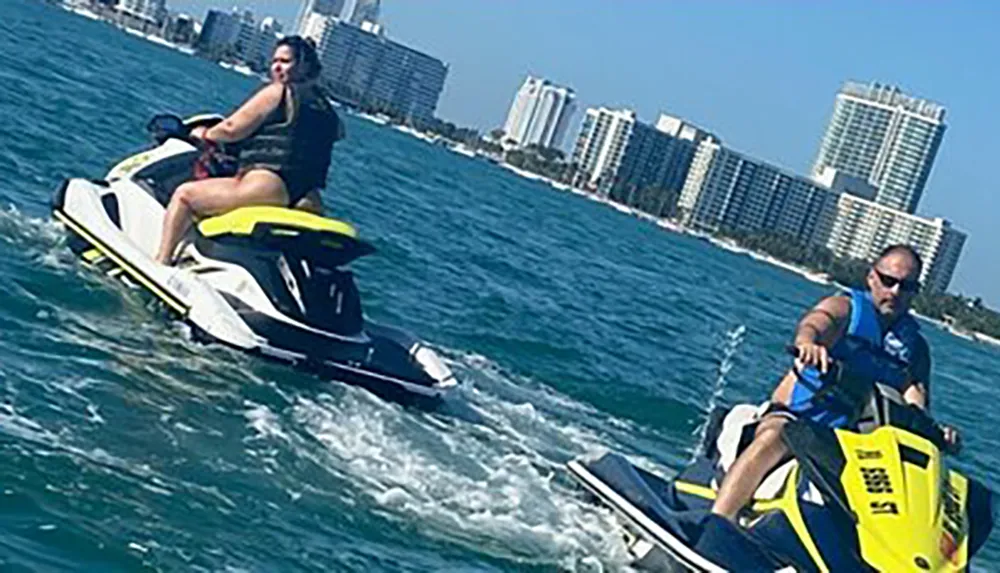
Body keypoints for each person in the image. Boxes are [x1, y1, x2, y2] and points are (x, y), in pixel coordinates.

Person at [710, 244, 959, 522]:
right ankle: (718, 521)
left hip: (858, 443)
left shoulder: (915, 349)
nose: (895, 292)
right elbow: (817, 322)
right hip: (800, 417)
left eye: (906, 286)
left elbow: (915, 399)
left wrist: (937, 432)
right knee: (775, 435)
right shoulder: (845, 309)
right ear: (872, 277)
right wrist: (808, 344)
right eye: (888, 281)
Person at [155, 36, 343, 264]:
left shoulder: (279, 92)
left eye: (285, 61)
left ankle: (161, 262)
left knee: (185, 197)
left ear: (303, 65)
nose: (276, 67)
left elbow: (232, 128)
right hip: (308, 198)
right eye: (274, 61)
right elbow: (336, 134)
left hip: (269, 186)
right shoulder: (326, 108)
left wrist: (203, 134)